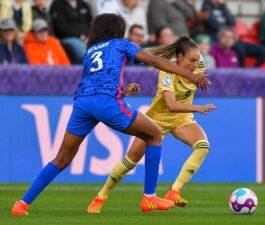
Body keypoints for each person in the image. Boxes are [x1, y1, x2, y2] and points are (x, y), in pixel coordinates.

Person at [11, 13, 210, 217]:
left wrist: (123, 91)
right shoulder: (121, 44)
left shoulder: (90, 52)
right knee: (154, 134)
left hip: (82, 104)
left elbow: (94, 83)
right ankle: (149, 198)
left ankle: (22, 204)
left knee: (61, 158)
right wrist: (189, 75)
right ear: (117, 29)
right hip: (107, 103)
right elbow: (153, 60)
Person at [87, 36, 216, 213]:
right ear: (179, 58)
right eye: (191, 61)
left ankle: (174, 191)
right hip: (157, 121)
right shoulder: (166, 73)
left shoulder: (198, 65)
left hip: (181, 120)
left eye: (197, 60)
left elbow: (195, 59)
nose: (195, 65)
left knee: (203, 147)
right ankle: (101, 196)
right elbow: (171, 105)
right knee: (130, 162)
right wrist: (197, 108)